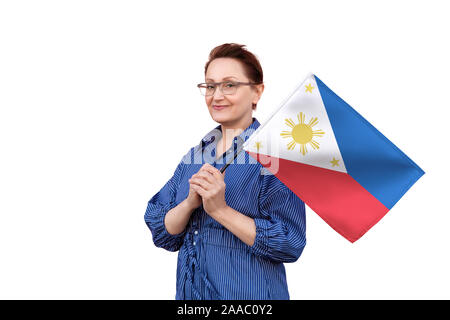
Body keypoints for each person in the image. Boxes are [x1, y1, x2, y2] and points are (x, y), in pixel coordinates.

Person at [144, 43, 306, 300]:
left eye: (229, 85)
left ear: (257, 92)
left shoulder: (275, 157)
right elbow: (162, 231)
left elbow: (290, 243)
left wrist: (220, 210)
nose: (216, 96)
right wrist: (188, 204)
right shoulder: (194, 157)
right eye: (210, 86)